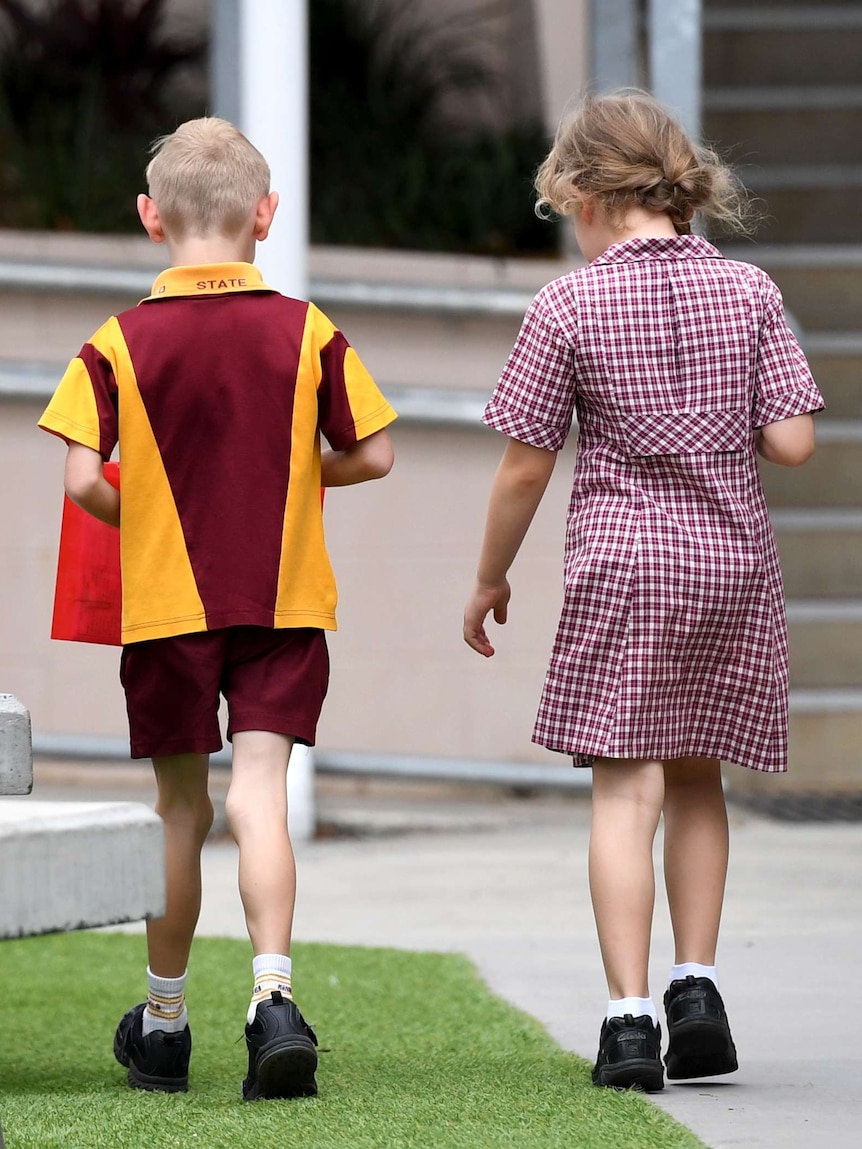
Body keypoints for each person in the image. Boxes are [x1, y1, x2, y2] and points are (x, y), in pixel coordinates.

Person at [463, 91, 823, 1093]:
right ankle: (696, 990)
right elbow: (792, 443)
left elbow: (525, 469)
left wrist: (489, 576)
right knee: (700, 776)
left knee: (626, 792)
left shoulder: (567, 307)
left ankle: (627, 1025)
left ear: (585, 196)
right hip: (728, 567)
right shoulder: (748, 293)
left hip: (625, 567)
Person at [39, 117, 396, 1100]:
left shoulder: (114, 342)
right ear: (265, 215)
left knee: (181, 810)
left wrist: (149, 510)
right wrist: (295, 476)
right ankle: (273, 999)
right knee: (259, 797)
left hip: (166, 610)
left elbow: (81, 482)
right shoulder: (309, 330)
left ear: (150, 219)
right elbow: (373, 452)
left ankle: (163, 1026)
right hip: (282, 602)